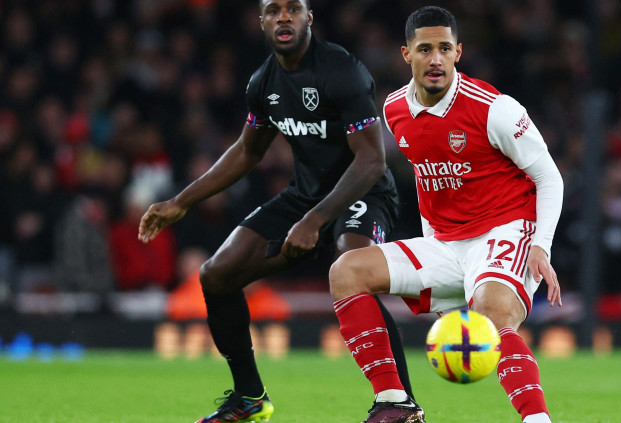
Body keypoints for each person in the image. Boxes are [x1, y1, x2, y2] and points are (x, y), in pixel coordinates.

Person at [137, 0, 416, 421]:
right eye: (273, 10)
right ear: (262, 22)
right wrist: (181, 201)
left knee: (352, 264)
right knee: (217, 273)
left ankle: (399, 404)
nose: (283, 16)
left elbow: (372, 160)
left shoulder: (342, 71)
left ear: (309, 18)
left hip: (364, 193)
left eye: (292, 8)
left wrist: (315, 221)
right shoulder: (262, 83)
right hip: (305, 198)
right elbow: (246, 152)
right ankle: (249, 398)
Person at [329, 6, 563, 423]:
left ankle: (537, 420)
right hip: (447, 242)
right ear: (406, 54)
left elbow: (549, 176)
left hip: (506, 229)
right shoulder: (395, 109)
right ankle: (395, 403)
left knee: (493, 315)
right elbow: (428, 180)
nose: (435, 59)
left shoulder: (495, 109)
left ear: (458, 52)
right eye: (425, 49)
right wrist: (436, 259)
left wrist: (541, 246)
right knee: (346, 271)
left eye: (444, 48)